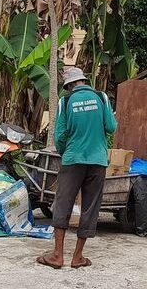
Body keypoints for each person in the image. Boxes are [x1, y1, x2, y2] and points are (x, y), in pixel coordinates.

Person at [37, 67, 117, 270]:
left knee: (63, 203)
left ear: (69, 86)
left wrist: (66, 153)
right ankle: (78, 257)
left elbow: (60, 136)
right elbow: (111, 127)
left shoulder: (65, 102)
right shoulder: (101, 97)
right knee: (90, 207)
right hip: (97, 161)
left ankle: (57, 255)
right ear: (84, 81)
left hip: (73, 160)